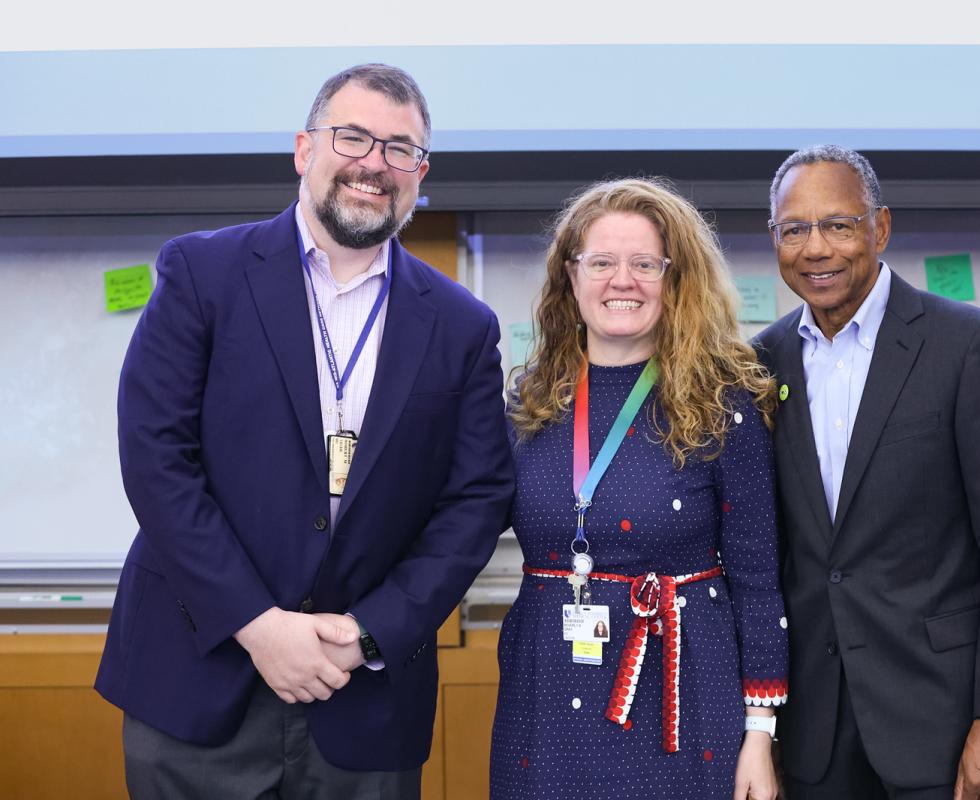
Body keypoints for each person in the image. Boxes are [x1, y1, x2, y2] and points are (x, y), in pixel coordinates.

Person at [95, 63, 514, 798]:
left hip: (366, 698)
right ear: (303, 147)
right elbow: (157, 458)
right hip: (198, 679)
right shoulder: (202, 274)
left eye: (399, 149)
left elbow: (475, 500)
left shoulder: (462, 327)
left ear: (420, 172)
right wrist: (257, 625)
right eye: (353, 137)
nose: (373, 164)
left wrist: (367, 631)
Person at [754, 145, 980, 800]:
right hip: (810, 739)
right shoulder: (759, 363)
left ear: (880, 228)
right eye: (794, 229)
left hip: (940, 732)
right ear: (773, 238)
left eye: (838, 224)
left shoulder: (968, 346)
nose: (816, 248)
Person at [491, 178, 789, 800]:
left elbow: (759, 582)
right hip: (543, 698)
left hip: (682, 702)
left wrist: (759, 735)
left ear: (675, 279)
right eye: (600, 262)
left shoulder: (724, 404)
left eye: (644, 264)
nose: (620, 281)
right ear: (570, 279)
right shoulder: (530, 404)